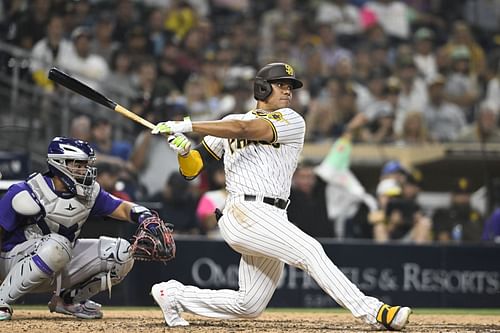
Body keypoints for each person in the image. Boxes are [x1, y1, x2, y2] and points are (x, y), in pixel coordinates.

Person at [148, 62, 411, 330]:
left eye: (290, 87)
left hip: (273, 215)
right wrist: (184, 153)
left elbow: (247, 129)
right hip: (245, 211)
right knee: (310, 250)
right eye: (281, 85)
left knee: (249, 305)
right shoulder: (226, 124)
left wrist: (188, 125)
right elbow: (193, 170)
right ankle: (373, 311)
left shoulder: (292, 120)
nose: (288, 91)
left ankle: (174, 295)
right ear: (262, 88)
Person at [0, 137, 162, 321]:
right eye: (78, 164)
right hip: (12, 262)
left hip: (59, 261)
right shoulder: (25, 190)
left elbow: (123, 208)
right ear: (59, 164)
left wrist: (145, 216)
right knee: (58, 245)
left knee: (121, 252)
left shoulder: (90, 193)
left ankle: (69, 301)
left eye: (86, 165)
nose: (84, 170)